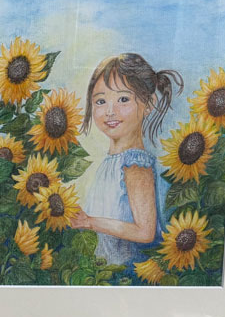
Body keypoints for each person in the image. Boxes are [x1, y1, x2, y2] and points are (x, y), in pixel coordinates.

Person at [70, 53, 183, 269]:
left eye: (123, 99)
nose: (110, 111)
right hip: (105, 269)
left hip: (129, 272)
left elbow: (145, 232)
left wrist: (90, 222)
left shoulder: (135, 164)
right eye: (101, 101)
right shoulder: (110, 163)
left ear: (148, 104)